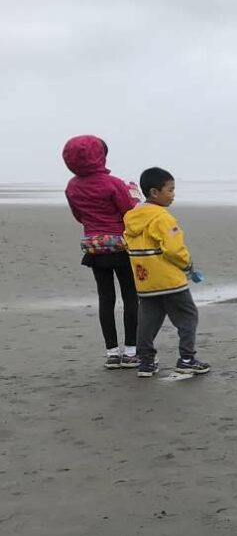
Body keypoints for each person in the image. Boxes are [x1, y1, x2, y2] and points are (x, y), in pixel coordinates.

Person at [62, 135, 141, 369]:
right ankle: (130, 352)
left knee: (105, 298)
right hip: (120, 246)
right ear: (100, 155)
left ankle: (111, 353)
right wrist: (135, 196)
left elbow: (79, 216)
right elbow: (129, 212)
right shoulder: (113, 183)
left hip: (95, 247)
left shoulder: (72, 186)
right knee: (130, 297)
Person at [123, 167, 210, 378]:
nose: (173, 194)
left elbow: (126, 243)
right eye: (170, 190)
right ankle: (187, 359)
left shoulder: (131, 217)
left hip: (145, 279)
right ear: (154, 192)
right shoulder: (163, 218)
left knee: (148, 321)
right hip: (169, 280)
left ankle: (146, 362)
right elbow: (173, 249)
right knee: (188, 317)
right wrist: (188, 265)